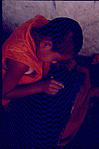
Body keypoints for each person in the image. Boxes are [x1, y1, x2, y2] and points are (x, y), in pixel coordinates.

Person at [2, 15, 90, 148]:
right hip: (12, 98)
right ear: (46, 44)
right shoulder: (20, 62)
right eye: (56, 59)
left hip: (34, 79)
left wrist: (65, 60)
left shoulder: (40, 26)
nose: (55, 62)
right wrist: (40, 87)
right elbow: (3, 93)